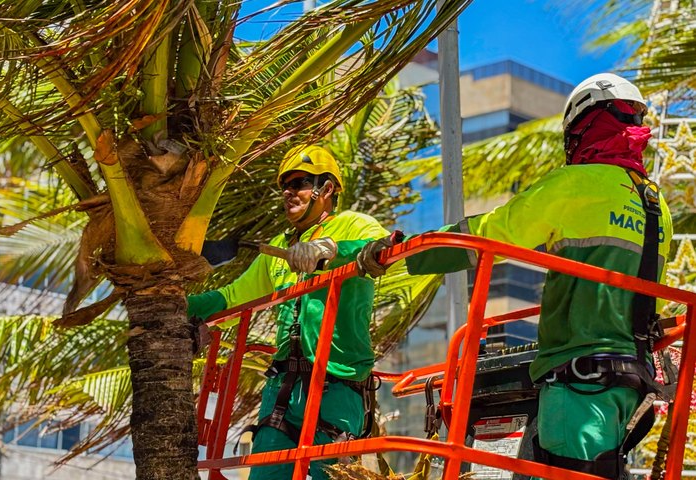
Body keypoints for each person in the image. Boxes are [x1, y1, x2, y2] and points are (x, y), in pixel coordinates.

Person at [357, 73, 673, 479]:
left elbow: (490, 233)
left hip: (579, 380)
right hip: (632, 382)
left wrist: (403, 253)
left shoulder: (576, 184)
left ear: (581, 126)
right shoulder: (655, 204)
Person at [189, 145, 388, 479]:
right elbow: (233, 296)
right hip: (284, 388)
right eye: (285, 185)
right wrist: (172, 304)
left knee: (334, 473)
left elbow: (384, 252)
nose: (288, 191)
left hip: (336, 387)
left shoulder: (355, 225)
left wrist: (333, 250)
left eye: (298, 183)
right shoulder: (278, 249)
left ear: (326, 189)